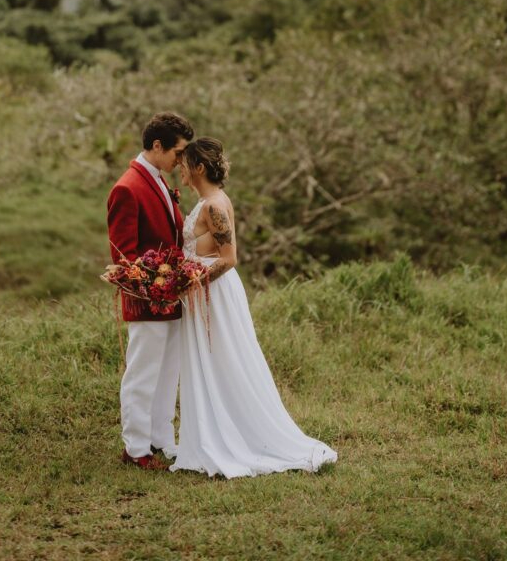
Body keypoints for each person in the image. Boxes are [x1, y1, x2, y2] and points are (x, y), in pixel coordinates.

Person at [170, 137, 338, 478]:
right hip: (205, 291)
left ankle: (237, 439)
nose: (181, 170)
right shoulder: (207, 201)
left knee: (226, 361)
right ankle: (210, 433)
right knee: (212, 365)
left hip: (213, 292)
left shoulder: (214, 205)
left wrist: (190, 281)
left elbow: (229, 259)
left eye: (184, 163)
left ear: (199, 168)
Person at [107, 111, 194, 470]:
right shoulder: (127, 187)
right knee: (143, 374)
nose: (180, 160)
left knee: (167, 373)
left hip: (171, 297)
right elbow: (123, 255)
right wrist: (154, 286)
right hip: (148, 301)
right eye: (178, 152)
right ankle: (136, 448)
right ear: (157, 146)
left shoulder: (157, 179)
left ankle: (160, 438)